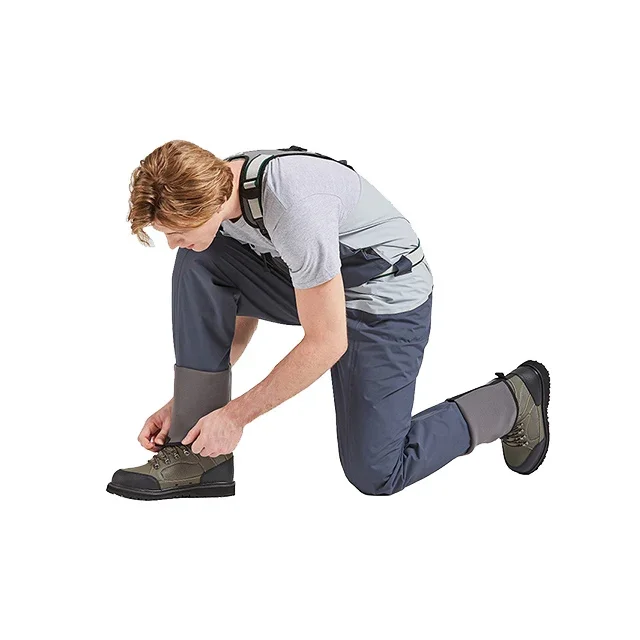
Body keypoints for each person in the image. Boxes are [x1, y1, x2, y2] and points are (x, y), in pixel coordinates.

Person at [106, 140, 550, 500]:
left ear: (214, 200)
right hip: (321, 283)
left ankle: (511, 400)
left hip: (383, 301)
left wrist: (236, 416)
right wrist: (186, 405)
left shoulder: (293, 206)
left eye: (177, 232)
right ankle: (197, 456)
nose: (172, 243)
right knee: (198, 262)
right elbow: (232, 303)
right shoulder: (218, 187)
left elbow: (327, 342)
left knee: (377, 471)